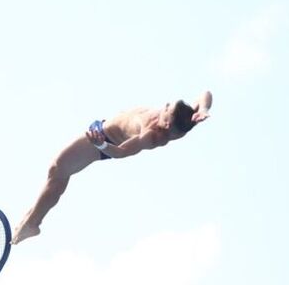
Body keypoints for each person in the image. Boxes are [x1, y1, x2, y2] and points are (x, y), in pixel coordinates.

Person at [11, 91, 213, 245]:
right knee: (56, 174)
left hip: (105, 142)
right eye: (166, 113)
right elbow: (206, 93)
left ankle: (33, 224)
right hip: (103, 127)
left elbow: (121, 152)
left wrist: (100, 144)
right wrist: (203, 109)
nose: (164, 123)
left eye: (167, 124)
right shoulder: (186, 115)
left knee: (58, 170)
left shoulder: (152, 136)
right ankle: (33, 216)